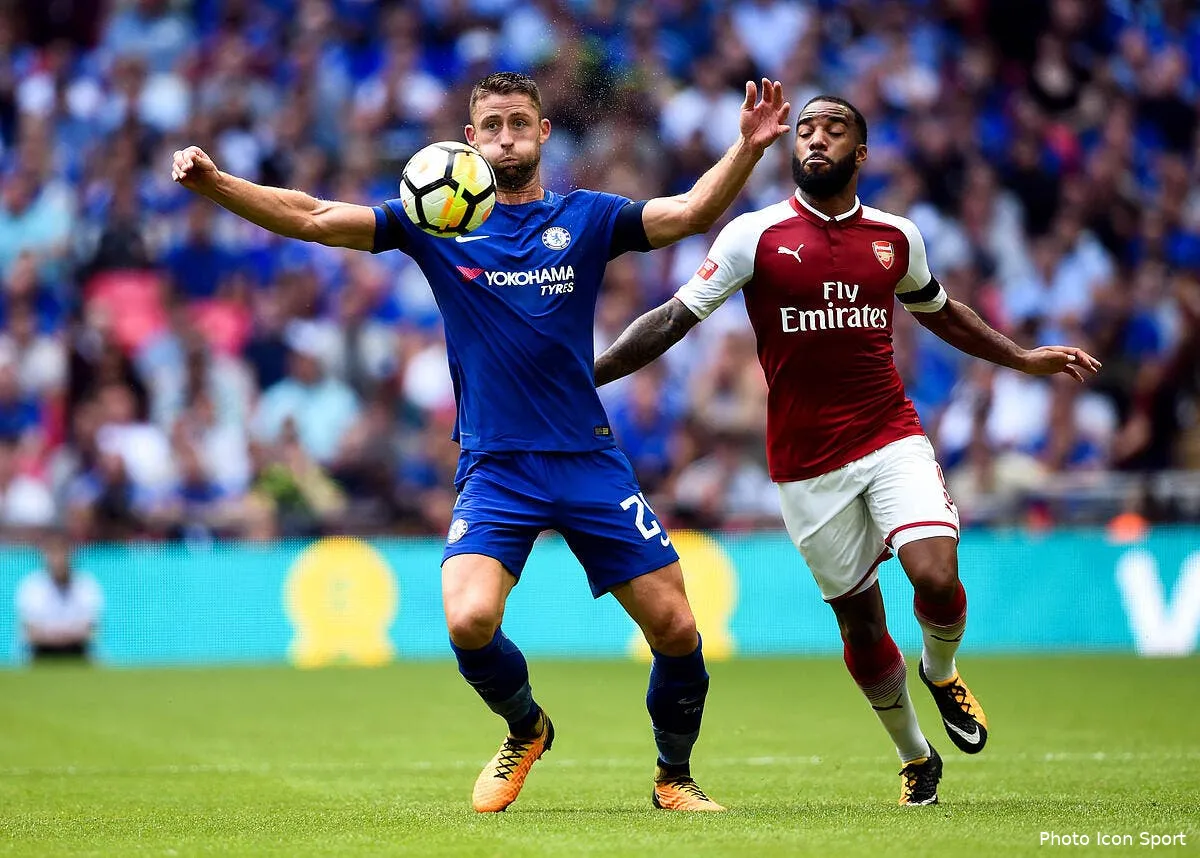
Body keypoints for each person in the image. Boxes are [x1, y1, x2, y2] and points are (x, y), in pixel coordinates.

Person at [172, 71, 792, 813]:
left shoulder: (587, 218)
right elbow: (310, 216)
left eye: (518, 123)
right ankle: (525, 728)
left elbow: (691, 211)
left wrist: (748, 148)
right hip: (497, 466)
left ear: (543, 133)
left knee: (678, 628)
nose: (506, 136)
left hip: (587, 457)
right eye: (491, 125)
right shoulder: (433, 224)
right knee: (467, 619)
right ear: (469, 140)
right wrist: (215, 185)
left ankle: (673, 777)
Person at [594, 95, 1102, 806]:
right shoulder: (754, 236)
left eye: (834, 130)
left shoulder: (896, 237)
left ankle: (941, 669)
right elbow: (673, 318)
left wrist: (1021, 358)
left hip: (889, 433)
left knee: (934, 573)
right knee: (860, 623)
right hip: (806, 465)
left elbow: (942, 311)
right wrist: (589, 376)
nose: (816, 139)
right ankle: (916, 755)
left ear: (860, 154)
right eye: (805, 130)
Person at [15, 531, 103, 661]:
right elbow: (29, 631)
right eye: (53, 553)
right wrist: (57, 637)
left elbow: (91, 630)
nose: (58, 559)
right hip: (41, 654)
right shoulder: (32, 585)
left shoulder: (86, 584)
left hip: (77, 653)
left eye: (62, 552)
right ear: (45, 555)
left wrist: (61, 637)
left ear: (71, 554)